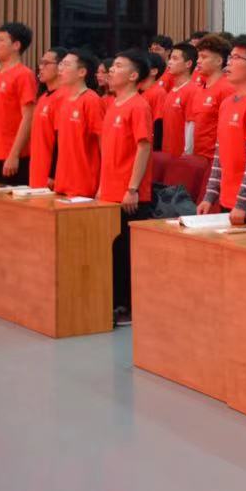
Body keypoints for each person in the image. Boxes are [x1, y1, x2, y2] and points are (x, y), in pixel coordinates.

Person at [99, 49, 154, 324]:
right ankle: (116, 301)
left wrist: (132, 188)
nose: (111, 69)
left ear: (133, 76)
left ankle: (129, 307)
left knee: (126, 254)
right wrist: (101, 186)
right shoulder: (113, 104)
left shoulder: (139, 105)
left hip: (129, 194)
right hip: (109, 190)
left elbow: (143, 147)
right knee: (112, 252)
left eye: (118, 66)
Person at [197, 33, 246, 226]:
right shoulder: (227, 103)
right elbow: (219, 154)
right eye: (230, 57)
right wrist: (209, 196)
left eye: (236, 58)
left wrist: (242, 204)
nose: (229, 63)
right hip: (226, 198)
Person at [0, 22, 37, 184]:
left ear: (16, 45)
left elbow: (28, 117)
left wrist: (14, 155)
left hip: (14, 156)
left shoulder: (24, 75)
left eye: (1, 40)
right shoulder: (0, 76)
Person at [52, 50, 104, 198]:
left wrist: (103, 185)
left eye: (66, 64)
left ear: (81, 72)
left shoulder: (91, 100)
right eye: (61, 64)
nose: (60, 68)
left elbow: (103, 144)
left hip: (84, 184)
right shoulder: (63, 100)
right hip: (62, 182)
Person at [183, 34, 234, 161]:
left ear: (219, 61)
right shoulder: (199, 90)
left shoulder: (227, 89)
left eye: (204, 57)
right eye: (198, 56)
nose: (198, 61)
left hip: (215, 161)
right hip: (198, 159)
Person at [28, 47, 67, 190]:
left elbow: (60, 140)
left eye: (46, 63)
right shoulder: (43, 97)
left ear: (60, 67)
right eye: (40, 63)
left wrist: (53, 174)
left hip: (52, 176)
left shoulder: (64, 96)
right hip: (36, 170)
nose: (41, 67)